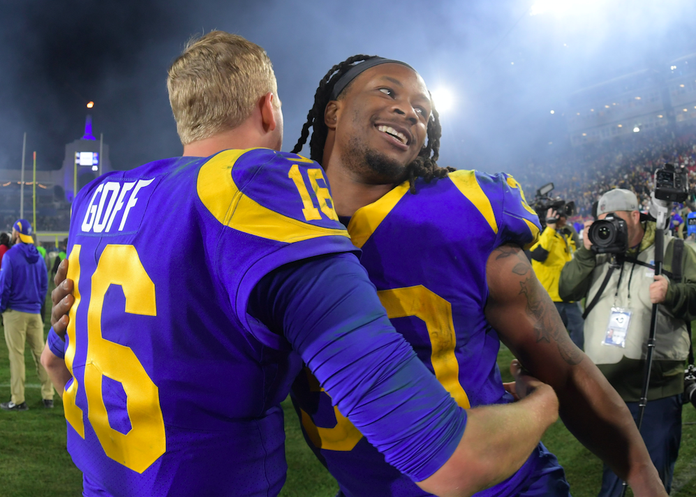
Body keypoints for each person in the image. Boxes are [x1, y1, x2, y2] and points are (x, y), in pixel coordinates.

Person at [43, 32, 560, 497]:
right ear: (269, 109)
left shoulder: (99, 198)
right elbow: (447, 461)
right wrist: (542, 404)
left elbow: (54, 363)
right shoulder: (257, 186)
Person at [289, 56, 667, 496]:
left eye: (423, 110)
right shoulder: (272, 219)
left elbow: (566, 369)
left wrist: (643, 476)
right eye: (387, 91)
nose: (409, 111)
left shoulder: (465, 212)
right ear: (332, 111)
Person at [559, 188, 696, 496]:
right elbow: (566, 289)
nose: (609, 227)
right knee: (614, 477)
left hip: (658, 387)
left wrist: (672, 293)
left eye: (615, 220)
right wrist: (587, 251)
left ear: (636, 216)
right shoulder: (598, 252)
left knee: (654, 479)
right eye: (602, 221)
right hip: (607, 391)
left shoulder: (672, 250)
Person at [0, 219, 53, 411]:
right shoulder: (38, 256)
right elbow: (44, 286)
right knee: (40, 355)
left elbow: (4, 285)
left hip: (15, 312)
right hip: (34, 312)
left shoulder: (10, 255)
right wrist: (37, 305)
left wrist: (1, 307)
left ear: (16, 234)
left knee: (17, 356)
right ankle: (48, 396)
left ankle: (18, 400)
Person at [529, 207, 585, 350]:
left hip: (568, 294)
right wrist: (550, 228)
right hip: (549, 297)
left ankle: (575, 363)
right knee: (549, 338)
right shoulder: (538, 236)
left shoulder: (563, 235)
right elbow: (539, 254)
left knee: (579, 332)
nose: (565, 219)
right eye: (561, 216)